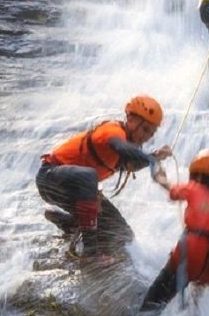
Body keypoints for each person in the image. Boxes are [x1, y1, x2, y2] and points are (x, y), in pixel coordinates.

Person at [36, 95, 172, 265]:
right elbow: (121, 147)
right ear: (130, 119)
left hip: (74, 189)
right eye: (144, 129)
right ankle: (90, 254)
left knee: (123, 233)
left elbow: (128, 163)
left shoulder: (125, 147)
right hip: (51, 177)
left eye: (150, 133)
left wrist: (155, 156)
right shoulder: (112, 131)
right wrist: (150, 159)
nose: (146, 137)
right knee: (89, 176)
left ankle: (71, 225)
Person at [140, 149, 209, 313]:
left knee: (154, 302)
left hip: (191, 255)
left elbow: (172, 189)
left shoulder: (194, 189)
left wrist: (159, 176)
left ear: (197, 174)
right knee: (198, 304)